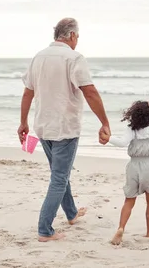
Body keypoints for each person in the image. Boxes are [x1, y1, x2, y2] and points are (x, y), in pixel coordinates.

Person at [18, 17, 111, 242]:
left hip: (43, 126)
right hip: (65, 128)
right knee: (59, 177)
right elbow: (89, 91)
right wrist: (105, 122)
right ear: (71, 35)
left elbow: (28, 92)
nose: (77, 40)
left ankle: (71, 214)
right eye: (77, 36)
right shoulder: (74, 57)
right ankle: (44, 230)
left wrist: (23, 122)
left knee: (60, 173)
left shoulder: (38, 57)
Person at [100, 100, 149, 245]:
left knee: (129, 200)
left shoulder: (131, 129)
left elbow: (122, 142)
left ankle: (121, 228)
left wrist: (108, 138)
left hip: (133, 166)